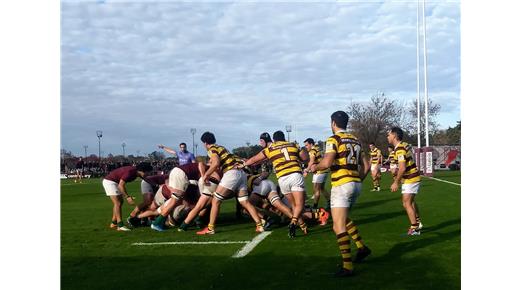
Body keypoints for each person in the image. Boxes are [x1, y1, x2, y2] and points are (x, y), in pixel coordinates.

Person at [309, 111, 372, 277]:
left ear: (333, 123)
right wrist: (357, 180)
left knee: (338, 226)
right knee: (342, 219)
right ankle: (361, 248)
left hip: (341, 185)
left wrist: (316, 167)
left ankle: (347, 266)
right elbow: (366, 166)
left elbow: (328, 162)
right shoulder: (356, 140)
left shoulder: (334, 139)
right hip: (355, 184)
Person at [242, 130, 308, 238]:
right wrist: (301, 156)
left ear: (275, 140)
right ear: (284, 138)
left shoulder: (269, 149)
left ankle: (302, 225)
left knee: (293, 205)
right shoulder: (293, 144)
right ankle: (294, 222)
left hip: (282, 179)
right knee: (299, 205)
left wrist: (244, 163)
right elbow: (305, 158)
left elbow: (254, 159)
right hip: (295, 175)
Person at [196, 132, 264, 235]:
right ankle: (259, 225)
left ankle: (210, 228)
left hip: (231, 173)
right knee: (244, 202)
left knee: (215, 200)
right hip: (242, 174)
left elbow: (216, 163)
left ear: (205, 143)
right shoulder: (221, 147)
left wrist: (206, 175)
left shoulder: (212, 149)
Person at [149, 161, 218, 232]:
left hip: (176, 171)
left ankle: (160, 222)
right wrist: (204, 176)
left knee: (175, 200)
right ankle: (157, 223)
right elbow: (201, 164)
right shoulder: (207, 166)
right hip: (181, 174)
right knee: (174, 201)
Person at [387, 127, 423, 235]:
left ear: (394, 135)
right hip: (411, 178)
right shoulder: (401, 147)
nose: (387, 137)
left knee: (406, 203)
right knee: (409, 202)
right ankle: (417, 223)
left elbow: (402, 168)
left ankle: (415, 228)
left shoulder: (400, 149)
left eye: (389, 134)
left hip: (411, 178)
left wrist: (396, 182)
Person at [102, 163, 153, 231]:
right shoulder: (131, 172)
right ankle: (120, 225)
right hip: (110, 182)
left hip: (114, 182)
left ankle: (113, 223)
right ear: (142, 170)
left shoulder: (137, 172)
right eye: (147, 172)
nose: (148, 174)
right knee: (118, 203)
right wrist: (127, 197)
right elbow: (121, 185)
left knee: (120, 202)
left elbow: (146, 179)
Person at [303, 138, 330, 210]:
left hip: (320, 172)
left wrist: (306, 171)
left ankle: (315, 206)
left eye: (306, 145)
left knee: (316, 189)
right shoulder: (316, 148)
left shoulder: (312, 150)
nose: (306, 147)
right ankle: (329, 202)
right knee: (321, 188)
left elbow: (311, 161)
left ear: (311, 144)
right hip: (323, 171)